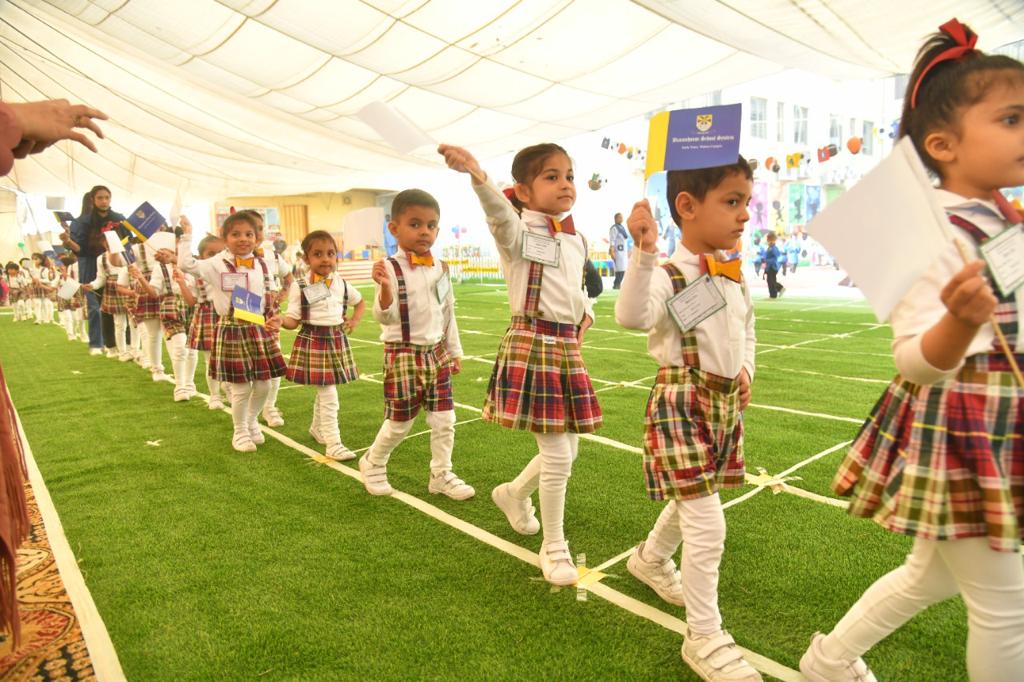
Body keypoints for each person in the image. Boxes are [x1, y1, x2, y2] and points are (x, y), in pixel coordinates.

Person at [799, 20, 1024, 682]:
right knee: (1005, 606)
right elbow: (914, 361)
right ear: (942, 144)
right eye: (1011, 119)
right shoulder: (925, 229)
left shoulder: (1006, 220)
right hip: (963, 425)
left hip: (1000, 421)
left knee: (931, 577)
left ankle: (829, 660)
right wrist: (957, 319)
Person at [616, 158, 759, 681]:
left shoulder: (732, 270)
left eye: (746, 201)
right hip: (681, 402)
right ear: (687, 207)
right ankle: (703, 635)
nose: (745, 214)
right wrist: (644, 252)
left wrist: (744, 367)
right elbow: (632, 316)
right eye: (732, 201)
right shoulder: (670, 274)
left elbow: (747, 328)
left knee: (695, 496)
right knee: (708, 519)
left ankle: (650, 559)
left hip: (723, 403)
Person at [439, 142, 602, 586]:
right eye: (551, 176)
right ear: (524, 192)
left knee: (569, 449)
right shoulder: (516, 229)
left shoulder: (576, 237)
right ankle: (554, 546)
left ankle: (512, 494)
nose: (565, 183)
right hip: (532, 343)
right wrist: (476, 173)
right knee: (556, 452)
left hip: (565, 346)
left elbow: (574, 287)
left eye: (568, 175)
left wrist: (586, 313)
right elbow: (496, 211)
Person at [359, 189, 474, 500]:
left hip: (436, 353)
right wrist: (384, 289)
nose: (425, 231)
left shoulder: (441, 267)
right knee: (399, 422)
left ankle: (441, 473)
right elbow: (385, 317)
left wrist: (454, 351)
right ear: (394, 228)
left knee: (445, 419)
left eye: (431, 225)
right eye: (415, 224)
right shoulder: (389, 268)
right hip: (403, 355)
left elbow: (448, 311)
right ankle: (373, 461)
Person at [175, 212, 286, 452]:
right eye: (235, 234)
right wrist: (186, 235)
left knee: (264, 385)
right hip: (232, 329)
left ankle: (251, 421)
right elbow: (185, 264)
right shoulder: (216, 264)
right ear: (225, 238)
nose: (243, 239)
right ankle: (240, 432)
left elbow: (265, 295)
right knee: (241, 387)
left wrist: (273, 317)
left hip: (256, 328)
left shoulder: (262, 263)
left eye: (249, 234)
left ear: (257, 237)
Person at [282, 231, 365, 461]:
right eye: (318, 254)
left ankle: (318, 429)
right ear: (307, 259)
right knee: (329, 392)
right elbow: (293, 319)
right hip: (313, 340)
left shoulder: (341, 284)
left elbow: (360, 303)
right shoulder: (299, 285)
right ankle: (333, 442)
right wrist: (280, 321)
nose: (325, 259)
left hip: (336, 339)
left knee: (325, 388)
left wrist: (354, 320)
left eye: (330, 253)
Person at [236, 211, 292, 429]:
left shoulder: (273, 257)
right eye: (252, 229)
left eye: (259, 228)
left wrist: (284, 293)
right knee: (244, 371)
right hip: (241, 319)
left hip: (269, 318)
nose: (256, 234)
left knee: (273, 363)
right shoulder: (232, 258)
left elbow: (288, 277)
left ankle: (269, 407)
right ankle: (244, 422)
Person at [62, 186, 127, 356]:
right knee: (96, 306)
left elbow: (129, 241)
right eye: (100, 198)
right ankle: (100, 344)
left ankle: (126, 345)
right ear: (93, 199)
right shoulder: (82, 221)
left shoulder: (119, 219)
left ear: (110, 198)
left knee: (124, 306)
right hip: (91, 263)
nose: (104, 201)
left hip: (118, 262)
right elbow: (80, 249)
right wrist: (68, 242)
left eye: (107, 197)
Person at [185, 233, 228, 410]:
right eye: (211, 254)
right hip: (207, 314)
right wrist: (181, 283)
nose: (216, 257)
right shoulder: (197, 275)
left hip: (226, 313)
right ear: (201, 257)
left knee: (229, 356)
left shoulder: (230, 270)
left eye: (220, 252)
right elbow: (191, 301)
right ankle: (215, 395)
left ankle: (229, 388)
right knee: (210, 358)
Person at [81, 242, 132, 361]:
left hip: (129, 285)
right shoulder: (101, 258)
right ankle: (122, 351)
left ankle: (133, 349)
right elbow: (101, 278)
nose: (108, 244)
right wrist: (92, 285)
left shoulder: (129, 252)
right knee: (119, 323)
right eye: (106, 242)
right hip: (112, 289)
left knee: (134, 322)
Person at [609, 212, 630, 289]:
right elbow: (612, 240)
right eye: (620, 217)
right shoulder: (614, 228)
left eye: (622, 217)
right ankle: (616, 285)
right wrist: (612, 250)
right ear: (616, 219)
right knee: (620, 269)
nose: (621, 219)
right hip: (618, 251)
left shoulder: (622, 227)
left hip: (623, 252)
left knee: (623, 268)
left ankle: (617, 284)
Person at [763, 232, 784, 299]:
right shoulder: (769, 248)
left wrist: (768, 260)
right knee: (769, 281)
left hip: (772, 266)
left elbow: (776, 257)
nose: (768, 241)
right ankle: (773, 294)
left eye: (770, 240)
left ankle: (780, 288)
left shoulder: (774, 248)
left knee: (772, 280)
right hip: (769, 267)